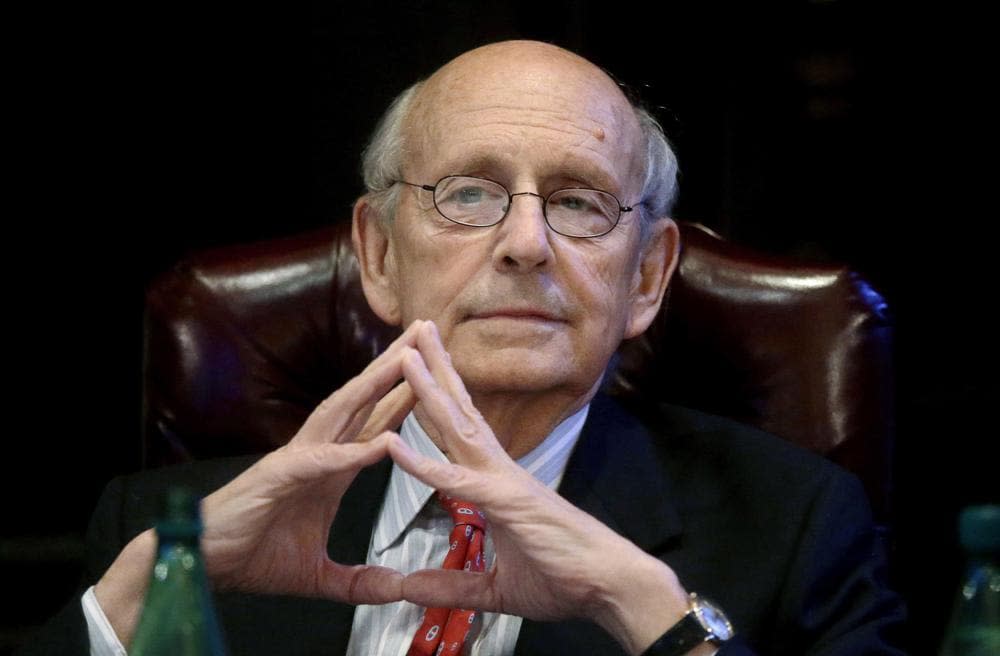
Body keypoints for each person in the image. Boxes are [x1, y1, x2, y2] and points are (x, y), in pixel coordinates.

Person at [23, 40, 905, 656]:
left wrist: (643, 608)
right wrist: (139, 593)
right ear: (376, 254)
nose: (526, 242)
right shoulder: (168, 528)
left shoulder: (794, 529)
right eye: (469, 194)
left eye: (578, 202)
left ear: (646, 276)